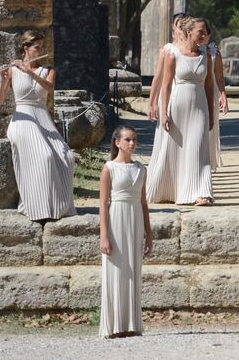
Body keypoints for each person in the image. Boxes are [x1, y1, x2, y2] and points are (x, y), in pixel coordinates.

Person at [0, 31, 75, 221]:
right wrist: (4, 80)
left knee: (67, 157)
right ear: (26, 48)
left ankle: (58, 207)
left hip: (42, 118)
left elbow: (48, 87)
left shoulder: (48, 70)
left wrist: (29, 71)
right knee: (45, 156)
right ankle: (38, 209)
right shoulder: (13, 70)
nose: (41, 50)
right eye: (37, 47)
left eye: (42, 47)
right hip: (22, 119)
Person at [146, 16, 216, 206]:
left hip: (199, 107)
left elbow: (209, 86)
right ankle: (172, 190)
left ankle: (202, 192)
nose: (204, 35)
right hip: (177, 106)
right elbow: (166, 85)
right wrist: (164, 112)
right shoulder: (172, 54)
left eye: (205, 31)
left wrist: (211, 112)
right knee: (175, 148)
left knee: (198, 148)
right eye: (200, 31)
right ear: (189, 32)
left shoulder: (206, 55)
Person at [99, 125, 151, 338]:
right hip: (116, 219)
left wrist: (149, 233)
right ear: (117, 142)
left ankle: (131, 324)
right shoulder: (108, 168)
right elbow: (103, 203)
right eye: (127, 139)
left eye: (134, 139)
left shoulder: (141, 169)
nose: (132, 143)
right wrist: (104, 235)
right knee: (116, 270)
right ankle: (114, 325)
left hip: (135, 219)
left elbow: (144, 202)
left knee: (132, 270)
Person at [204, 28, 226, 169]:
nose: (201, 35)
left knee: (211, 127)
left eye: (204, 32)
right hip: (196, 92)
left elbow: (219, 77)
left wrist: (223, 95)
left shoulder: (214, 53)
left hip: (212, 94)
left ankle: (209, 162)